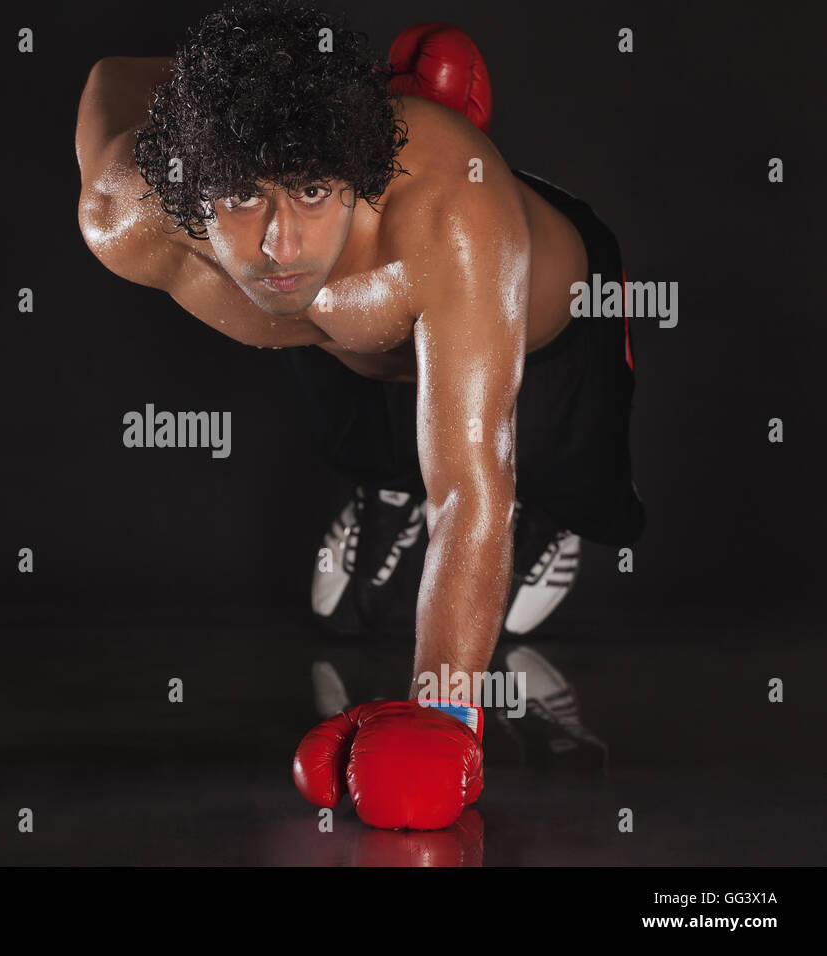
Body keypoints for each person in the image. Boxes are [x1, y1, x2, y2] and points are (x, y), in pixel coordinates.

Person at [75, 0, 644, 828]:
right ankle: (383, 484)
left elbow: (468, 488)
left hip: (536, 316)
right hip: (357, 338)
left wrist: (444, 712)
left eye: (311, 189)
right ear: (186, 183)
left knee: (559, 472)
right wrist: (252, 94)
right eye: (240, 194)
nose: (281, 243)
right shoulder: (124, 215)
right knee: (331, 360)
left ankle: (552, 521)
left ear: (355, 167)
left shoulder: (452, 218)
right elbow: (111, 77)